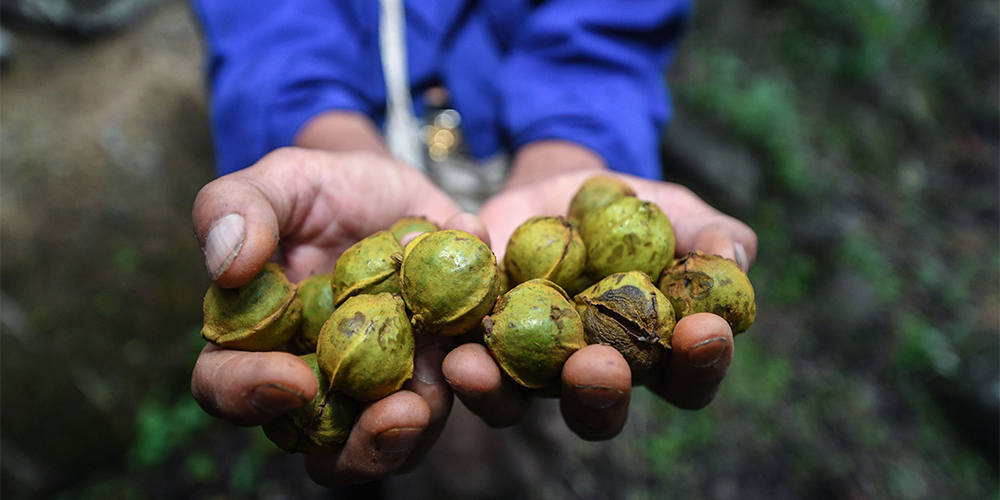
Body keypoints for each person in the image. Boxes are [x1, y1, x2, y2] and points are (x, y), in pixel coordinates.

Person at [188, 0, 758, 487]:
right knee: (339, 437)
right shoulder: (396, 290)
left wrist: (575, 141)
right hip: (364, 136)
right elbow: (266, 19)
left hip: (518, 149)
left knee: (477, 456)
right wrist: (312, 122)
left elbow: (610, 25)